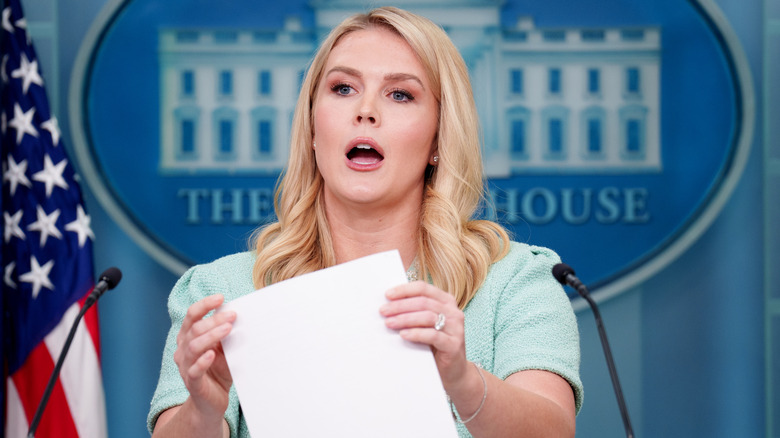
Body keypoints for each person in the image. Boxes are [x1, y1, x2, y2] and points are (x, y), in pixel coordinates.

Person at [147, 6, 582, 438]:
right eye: (343, 88)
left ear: (439, 137)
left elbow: (554, 431)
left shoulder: (517, 281)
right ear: (313, 129)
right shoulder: (219, 293)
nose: (366, 110)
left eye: (400, 95)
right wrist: (205, 407)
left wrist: (463, 381)